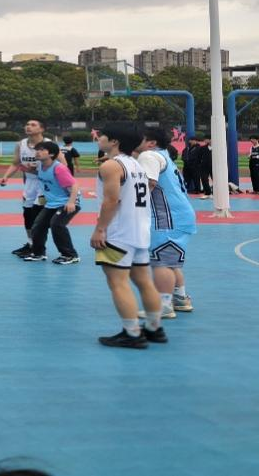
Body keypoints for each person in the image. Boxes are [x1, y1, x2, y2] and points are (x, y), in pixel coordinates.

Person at [90, 122, 166, 349]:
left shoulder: (112, 166)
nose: (98, 139)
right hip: (139, 230)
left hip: (118, 232)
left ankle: (132, 333)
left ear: (114, 141)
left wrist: (100, 229)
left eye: (102, 135)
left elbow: (112, 200)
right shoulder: (136, 164)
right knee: (144, 281)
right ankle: (154, 328)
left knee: (118, 282)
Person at [139, 128, 197, 318]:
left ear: (151, 143)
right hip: (178, 215)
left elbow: (149, 183)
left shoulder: (149, 155)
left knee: (161, 263)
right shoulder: (164, 155)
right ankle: (180, 298)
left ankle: (163, 305)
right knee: (171, 263)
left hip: (167, 217)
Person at [0, 120, 62, 258]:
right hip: (29, 184)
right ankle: (31, 243)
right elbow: (16, 163)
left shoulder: (49, 144)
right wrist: (6, 177)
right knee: (27, 214)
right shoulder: (20, 144)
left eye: (33, 125)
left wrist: (41, 170)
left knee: (38, 215)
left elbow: (63, 164)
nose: (28, 126)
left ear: (42, 129)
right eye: (27, 124)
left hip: (45, 184)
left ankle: (39, 248)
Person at [23, 141, 81, 264]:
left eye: (41, 150)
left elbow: (74, 185)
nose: (37, 152)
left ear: (51, 154)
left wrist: (71, 202)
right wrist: (29, 170)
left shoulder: (59, 168)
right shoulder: (40, 166)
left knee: (57, 224)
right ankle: (38, 253)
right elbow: (44, 175)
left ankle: (70, 255)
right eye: (37, 150)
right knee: (38, 226)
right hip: (51, 203)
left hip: (67, 202)